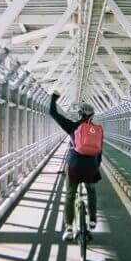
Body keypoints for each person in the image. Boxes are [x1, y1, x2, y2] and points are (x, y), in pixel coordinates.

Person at [49, 91, 102, 241]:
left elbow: (53, 112)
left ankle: (69, 228)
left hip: (74, 166)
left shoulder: (72, 127)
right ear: (92, 116)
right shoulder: (97, 130)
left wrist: (54, 99)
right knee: (91, 190)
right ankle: (92, 220)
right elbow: (99, 152)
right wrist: (95, 166)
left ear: (79, 115)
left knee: (70, 195)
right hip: (91, 166)